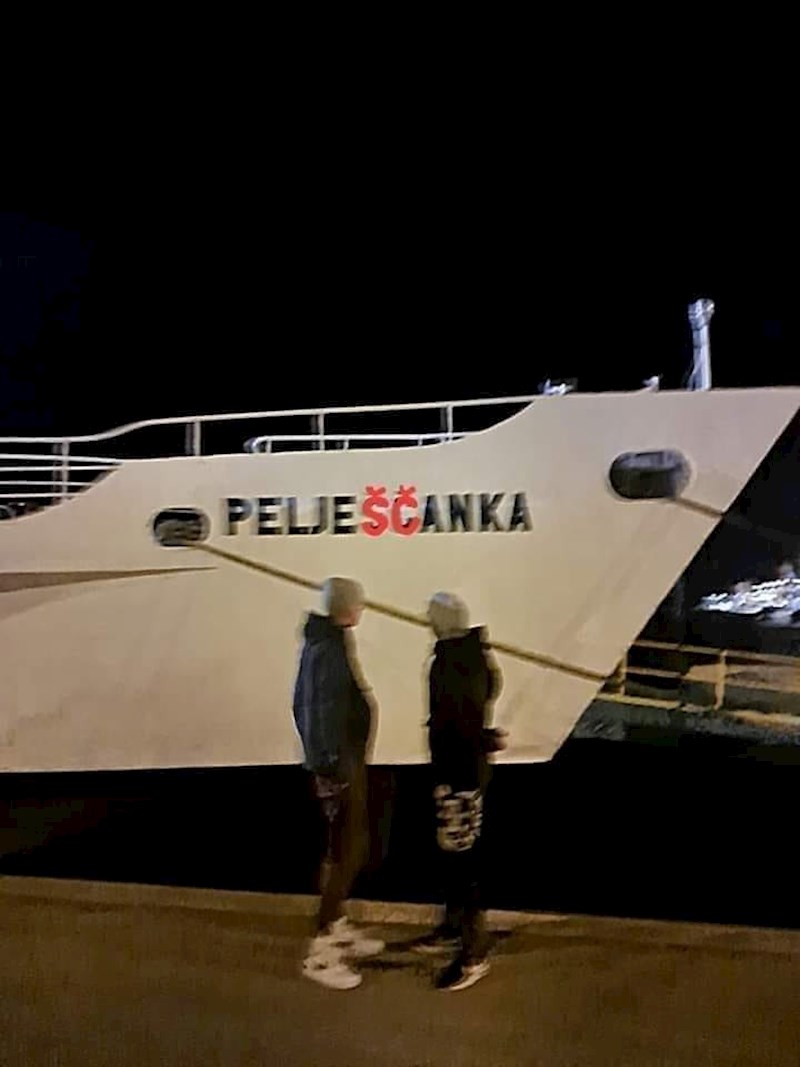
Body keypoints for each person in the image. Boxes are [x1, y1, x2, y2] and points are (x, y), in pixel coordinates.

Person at [292, 576, 384, 989]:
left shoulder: (328, 642)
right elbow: (318, 710)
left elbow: (307, 705)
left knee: (343, 847)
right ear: (344, 607)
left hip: (343, 762)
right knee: (348, 850)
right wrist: (332, 767)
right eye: (357, 603)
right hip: (340, 767)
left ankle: (336, 923)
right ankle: (322, 948)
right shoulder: (327, 649)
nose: (361, 609)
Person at [411, 592, 505, 991]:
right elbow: (478, 708)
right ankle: (453, 928)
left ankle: (473, 952)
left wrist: (453, 777)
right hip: (464, 773)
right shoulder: (472, 656)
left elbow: (458, 723)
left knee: (462, 861)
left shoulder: (452, 664)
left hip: (458, 777)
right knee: (455, 856)